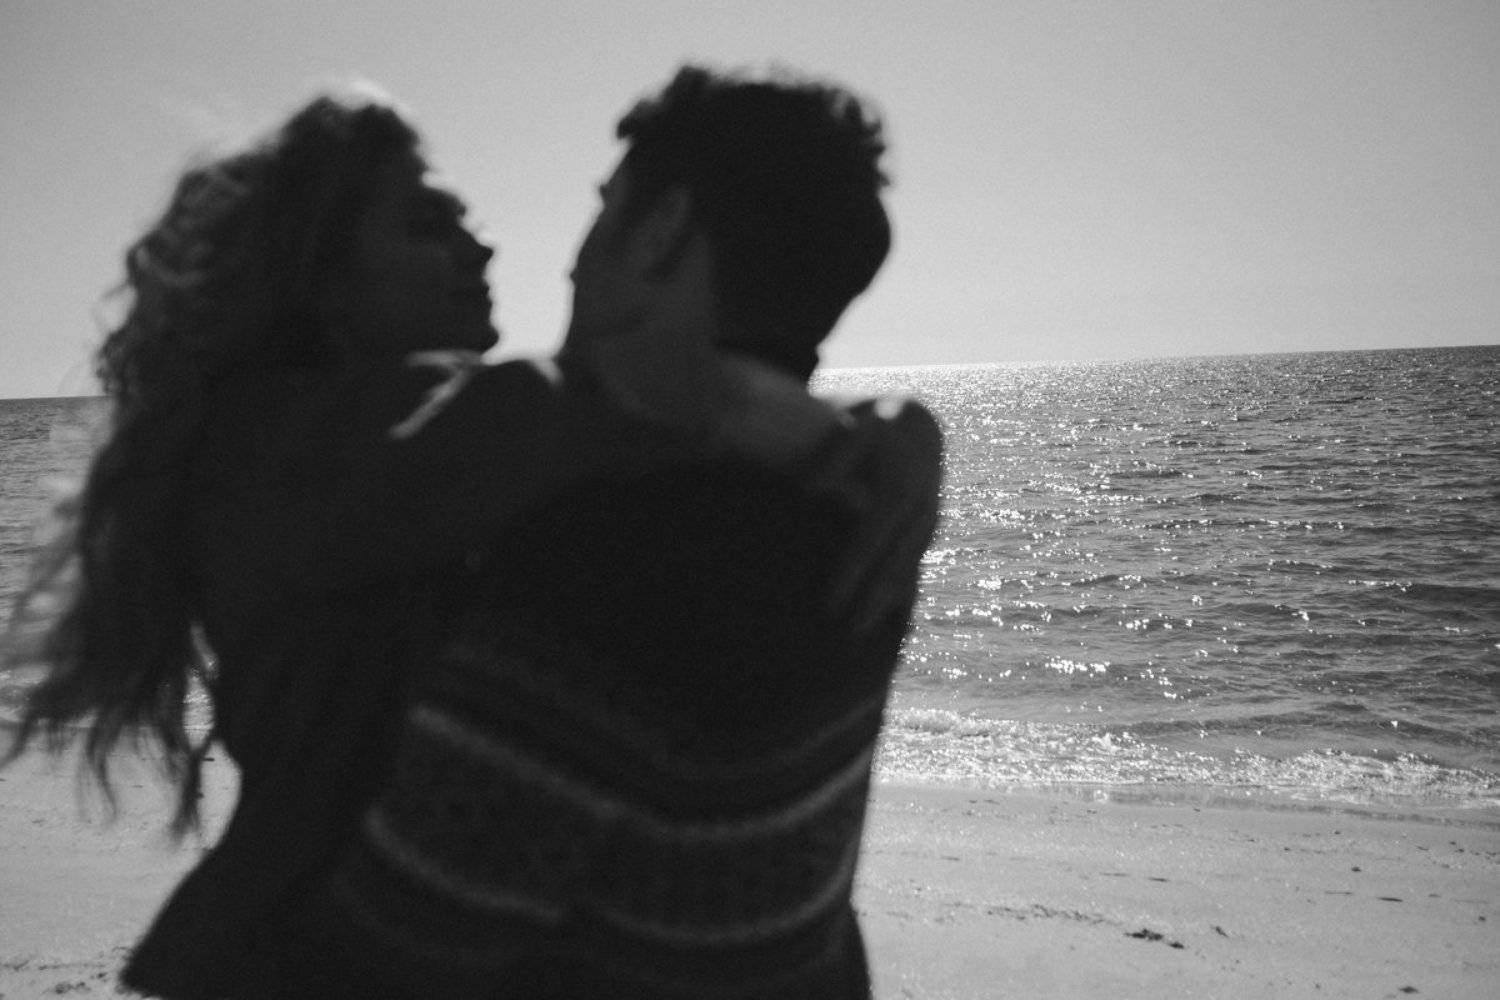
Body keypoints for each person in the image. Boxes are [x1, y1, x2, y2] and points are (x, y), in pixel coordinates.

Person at [6, 72, 940, 999]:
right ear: (322, 281)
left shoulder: (515, 469)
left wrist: (869, 425)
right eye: (428, 224)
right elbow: (527, 417)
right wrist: (792, 414)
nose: (486, 246)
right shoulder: (275, 451)